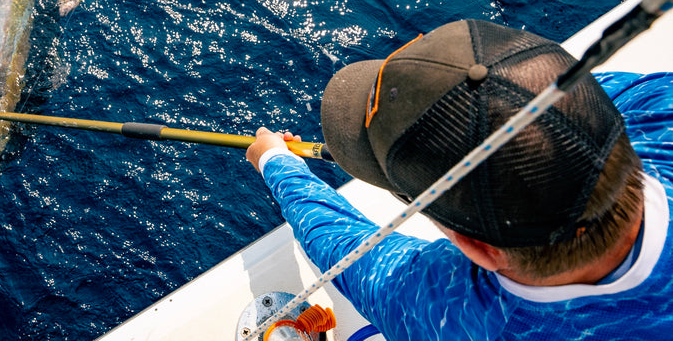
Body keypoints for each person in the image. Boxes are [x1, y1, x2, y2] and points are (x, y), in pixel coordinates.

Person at [246, 19, 673, 340]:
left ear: (477, 248)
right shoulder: (658, 107)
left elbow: (348, 252)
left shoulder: (453, 311)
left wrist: (275, 160)